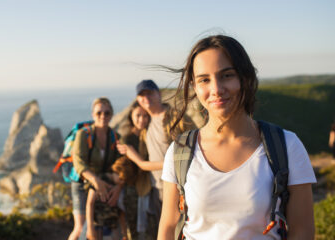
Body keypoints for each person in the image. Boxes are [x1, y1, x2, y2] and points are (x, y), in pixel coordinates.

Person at [158, 35, 316, 240]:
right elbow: (168, 228)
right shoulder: (180, 151)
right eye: (204, 80)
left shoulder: (287, 146)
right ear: (195, 87)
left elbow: (302, 231)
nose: (216, 89)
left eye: (227, 75)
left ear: (246, 78)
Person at [117, 81, 196, 238]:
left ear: (158, 94)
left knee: (181, 230)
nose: (146, 98)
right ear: (138, 100)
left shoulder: (176, 117)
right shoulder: (145, 122)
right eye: (141, 95)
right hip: (154, 187)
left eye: (149, 93)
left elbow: (194, 149)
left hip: (178, 187)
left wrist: (139, 162)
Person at [68, 97, 121, 240]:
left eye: (107, 113)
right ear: (93, 115)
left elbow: (119, 165)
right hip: (81, 183)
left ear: (111, 115)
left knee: (98, 226)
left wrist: (118, 186)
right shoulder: (84, 135)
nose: (103, 116)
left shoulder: (115, 137)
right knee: (80, 228)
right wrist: (95, 180)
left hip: (101, 183)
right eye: (99, 113)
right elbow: (78, 162)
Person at [118, 102, 152, 239]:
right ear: (131, 116)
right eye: (138, 115)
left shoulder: (149, 135)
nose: (141, 120)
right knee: (133, 230)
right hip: (131, 188)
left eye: (145, 116)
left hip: (149, 185)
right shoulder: (127, 139)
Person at [86, 156, 136, 240]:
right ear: (116, 171)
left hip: (112, 228)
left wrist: (124, 233)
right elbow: (90, 203)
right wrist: (90, 228)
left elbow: (120, 211)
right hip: (98, 226)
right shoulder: (100, 181)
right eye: (121, 179)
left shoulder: (118, 188)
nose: (122, 183)